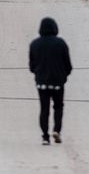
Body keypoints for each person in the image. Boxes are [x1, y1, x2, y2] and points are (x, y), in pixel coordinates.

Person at [29, 16, 72, 144]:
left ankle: (45, 136)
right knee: (58, 106)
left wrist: (38, 74)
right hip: (58, 82)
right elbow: (68, 65)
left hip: (42, 82)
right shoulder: (61, 43)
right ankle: (56, 130)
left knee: (44, 108)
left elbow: (32, 66)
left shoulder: (35, 44)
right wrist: (64, 76)